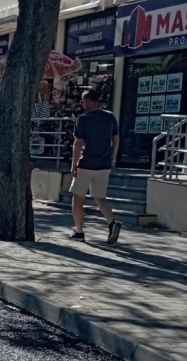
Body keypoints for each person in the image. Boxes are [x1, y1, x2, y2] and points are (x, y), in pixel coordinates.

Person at [69, 88, 121, 244]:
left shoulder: (83, 119)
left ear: (90, 101)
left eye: (83, 101)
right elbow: (116, 139)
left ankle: (79, 231)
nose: (82, 104)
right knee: (100, 197)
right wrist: (112, 159)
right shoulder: (110, 117)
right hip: (104, 165)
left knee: (78, 199)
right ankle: (112, 222)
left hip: (86, 163)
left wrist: (74, 164)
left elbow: (78, 143)